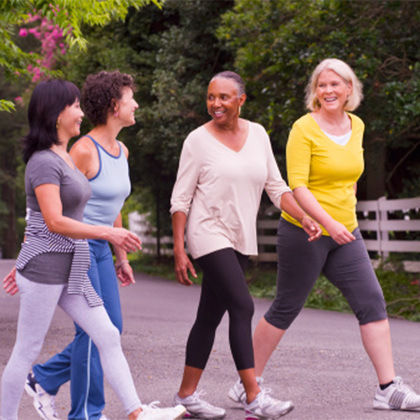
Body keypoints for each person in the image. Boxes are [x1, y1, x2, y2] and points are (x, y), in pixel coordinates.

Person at [228, 58, 420, 412]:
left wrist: (342, 217)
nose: (328, 90)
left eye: (335, 84)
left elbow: (349, 177)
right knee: (286, 306)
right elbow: (297, 185)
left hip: (346, 232)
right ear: (315, 91)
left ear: (349, 89)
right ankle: (247, 384)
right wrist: (327, 222)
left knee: (372, 301)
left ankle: (388, 388)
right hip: (306, 231)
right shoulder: (304, 128)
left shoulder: (357, 125)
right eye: (322, 85)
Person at [0, 79, 186, 420]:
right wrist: (108, 233)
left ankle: (136, 412)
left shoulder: (63, 157)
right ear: (57, 114)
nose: (82, 113)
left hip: (72, 267)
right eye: (75, 106)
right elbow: (52, 220)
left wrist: (114, 247)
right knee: (25, 351)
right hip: (45, 271)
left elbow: (59, 215)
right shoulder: (43, 162)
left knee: (108, 334)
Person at [170, 71, 322, 419]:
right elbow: (181, 199)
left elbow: (276, 187)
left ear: (241, 100)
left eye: (223, 97)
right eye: (210, 97)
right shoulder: (197, 141)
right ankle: (253, 396)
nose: (215, 104)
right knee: (242, 306)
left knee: (208, 317)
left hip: (239, 236)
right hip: (207, 231)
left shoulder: (258, 134)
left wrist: (303, 217)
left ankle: (185, 395)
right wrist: (180, 248)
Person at [16, 70, 144, 420]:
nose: (136, 104)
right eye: (131, 98)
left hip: (103, 247)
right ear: (115, 105)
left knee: (110, 329)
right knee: (93, 332)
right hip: (77, 249)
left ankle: (43, 378)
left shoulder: (122, 151)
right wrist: (29, 251)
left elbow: (114, 207)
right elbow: (54, 206)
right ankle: (86, 412)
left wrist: (121, 257)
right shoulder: (82, 150)